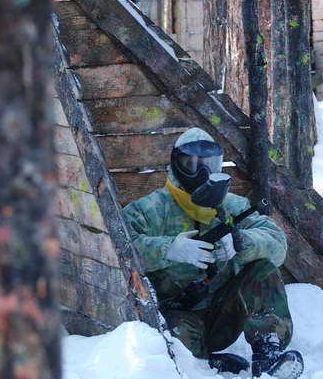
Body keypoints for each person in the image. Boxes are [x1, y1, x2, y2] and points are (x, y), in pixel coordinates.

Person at [122, 127, 304, 378]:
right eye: (192, 164)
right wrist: (168, 249)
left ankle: (267, 353)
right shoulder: (148, 210)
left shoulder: (233, 206)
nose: (202, 172)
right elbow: (120, 251)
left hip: (222, 313)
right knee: (172, 338)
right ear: (176, 164)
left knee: (262, 270)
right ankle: (205, 364)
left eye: (209, 164)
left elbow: (277, 243)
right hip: (174, 319)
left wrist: (241, 242)